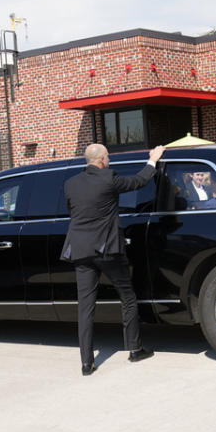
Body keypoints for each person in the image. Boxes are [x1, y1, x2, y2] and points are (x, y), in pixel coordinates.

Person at [61, 143, 165, 376]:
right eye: (108, 157)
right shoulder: (108, 178)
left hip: (80, 250)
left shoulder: (71, 184)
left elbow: (75, 212)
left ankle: (86, 364)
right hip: (107, 249)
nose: (109, 160)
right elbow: (138, 181)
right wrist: (153, 160)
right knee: (127, 296)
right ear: (101, 160)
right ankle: (135, 349)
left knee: (85, 307)